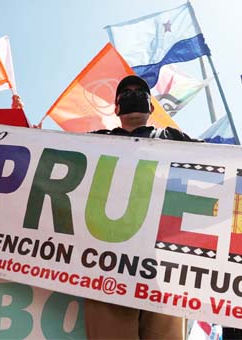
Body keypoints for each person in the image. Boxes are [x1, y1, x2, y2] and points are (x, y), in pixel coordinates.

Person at [85, 75, 200, 340]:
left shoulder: (173, 137)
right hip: (108, 262)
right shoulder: (96, 141)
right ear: (116, 108)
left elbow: (229, 161)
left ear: (151, 107)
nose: (133, 95)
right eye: (126, 93)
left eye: (140, 92)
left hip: (164, 261)